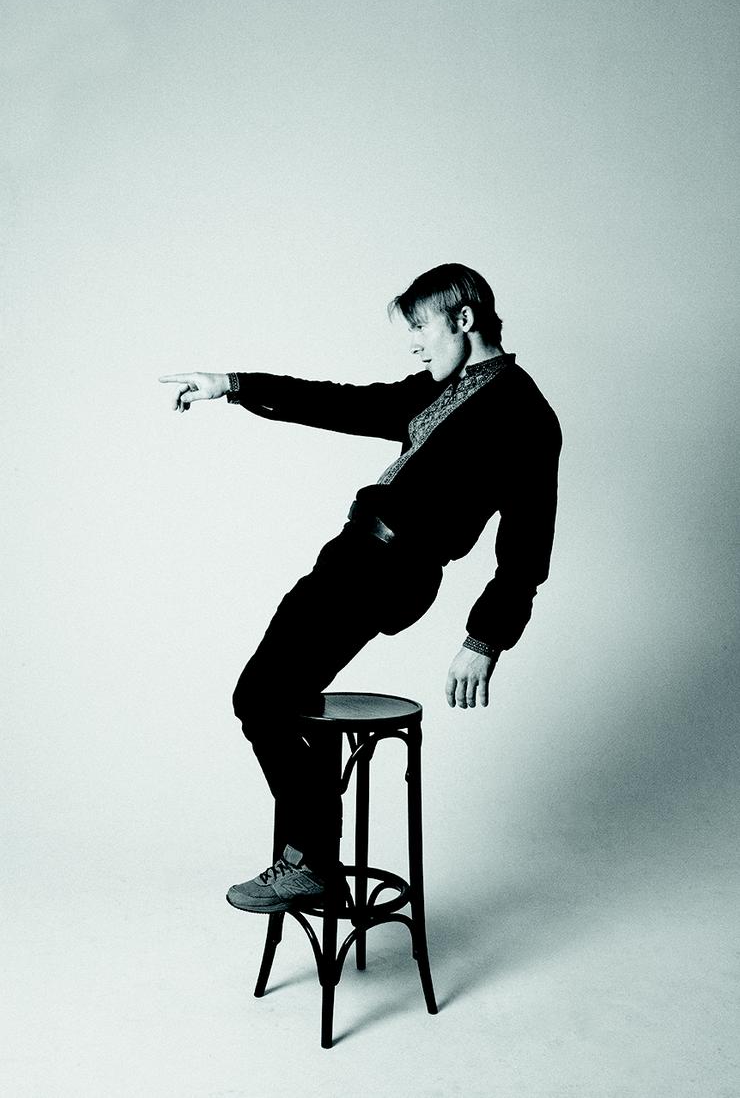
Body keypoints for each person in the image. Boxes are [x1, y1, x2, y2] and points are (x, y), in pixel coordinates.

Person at [159, 263, 562, 914]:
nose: (416, 345)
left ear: (463, 318)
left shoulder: (525, 414)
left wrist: (485, 639)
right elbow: (342, 403)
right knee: (276, 699)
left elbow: (526, 549)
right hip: (352, 556)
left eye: (422, 328)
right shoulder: (442, 387)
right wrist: (232, 385)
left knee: (260, 696)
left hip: (388, 571)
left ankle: (312, 864)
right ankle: (308, 860)